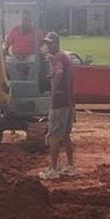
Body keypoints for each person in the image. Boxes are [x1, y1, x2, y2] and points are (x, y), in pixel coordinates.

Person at [40, 32, 75, 179]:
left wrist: (53, 92)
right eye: (46, 44)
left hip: (59, 101)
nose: (48, 46)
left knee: (54, 136)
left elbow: (59, 73)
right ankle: (70, 166)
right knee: (66, 135)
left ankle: (53, 169)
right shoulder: (65, 56)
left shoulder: (57, 58)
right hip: (69, 101)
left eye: (50, 43)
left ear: (57, 43)